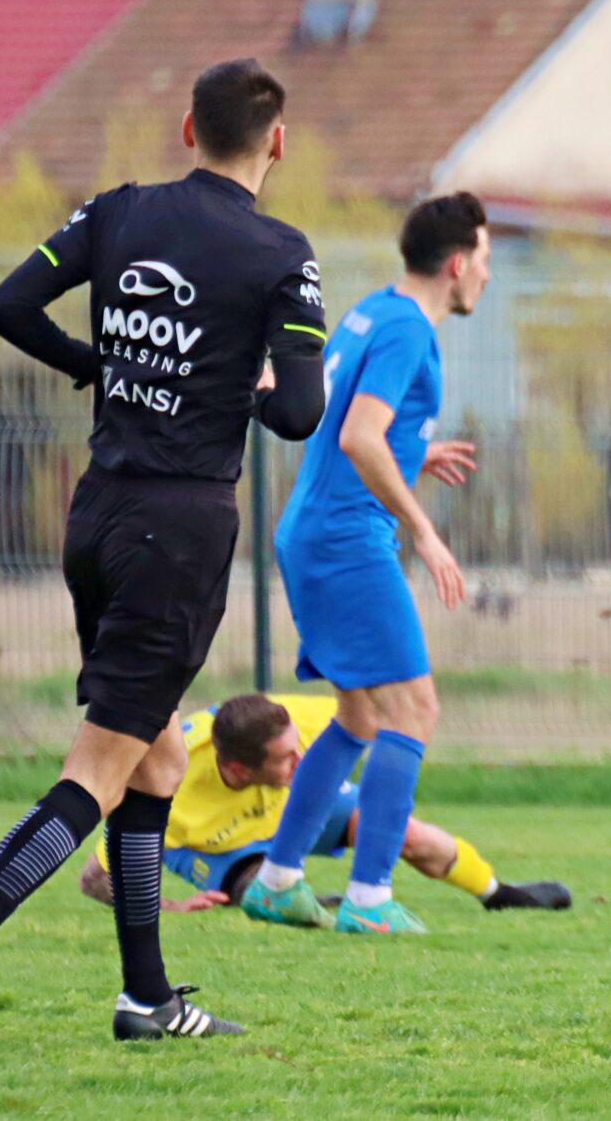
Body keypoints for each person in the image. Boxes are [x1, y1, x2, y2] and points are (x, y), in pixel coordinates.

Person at [0, 58, 329, 1054]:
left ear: (187, 129)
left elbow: (9, 305)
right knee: (99, 765)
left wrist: (100, 367)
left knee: (158, 756)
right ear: (277, 141)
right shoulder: (281, 253)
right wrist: (243, 392)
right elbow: (301, 412)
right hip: (179, 530)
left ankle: (145, 997)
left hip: (98, 514)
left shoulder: (118, 211)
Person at [240, 193, 493, 937]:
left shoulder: (372, 312)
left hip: (311, 531)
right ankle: (370, 899)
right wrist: (425, 531)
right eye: (484, 260)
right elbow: (358, 436)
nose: (487, 275)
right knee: (414, 710)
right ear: (456, 265)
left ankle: (277, 881)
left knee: (358, 714)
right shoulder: (409, 330)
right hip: (348, 541)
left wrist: (415, 451)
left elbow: (338, 415)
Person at [74, 693, 571, 917]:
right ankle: (321, 907)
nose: (304, 760)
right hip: (219, 847)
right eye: (287, 759)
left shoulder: (302, 722)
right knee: (265, 898)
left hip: (293, 809)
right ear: (240, 770)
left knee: (406, 835)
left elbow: (392, 713)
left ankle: (498, 894)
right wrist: (173, 908)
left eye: (301, 749)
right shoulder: (169, 786)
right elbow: (93, 879)